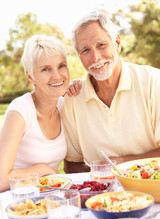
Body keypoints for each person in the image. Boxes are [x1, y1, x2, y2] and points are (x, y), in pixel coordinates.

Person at [62, 11, 160, 173]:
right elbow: (72, 164)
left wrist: (122, 164)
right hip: (102, 195)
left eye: (101, 45)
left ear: (117, 43)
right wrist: (101, 185)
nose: (95, 57)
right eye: (85, 50)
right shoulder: (73, 98)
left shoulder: (153, 81)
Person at [0, 34, 70, 192]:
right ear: (30, 76)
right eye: (46, 69)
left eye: (61, 66)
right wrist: (41, 170)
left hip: (47, 199)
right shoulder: (20, 111)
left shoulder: (64, 106)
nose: (57, 76)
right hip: (14, 204)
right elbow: (1, 180)